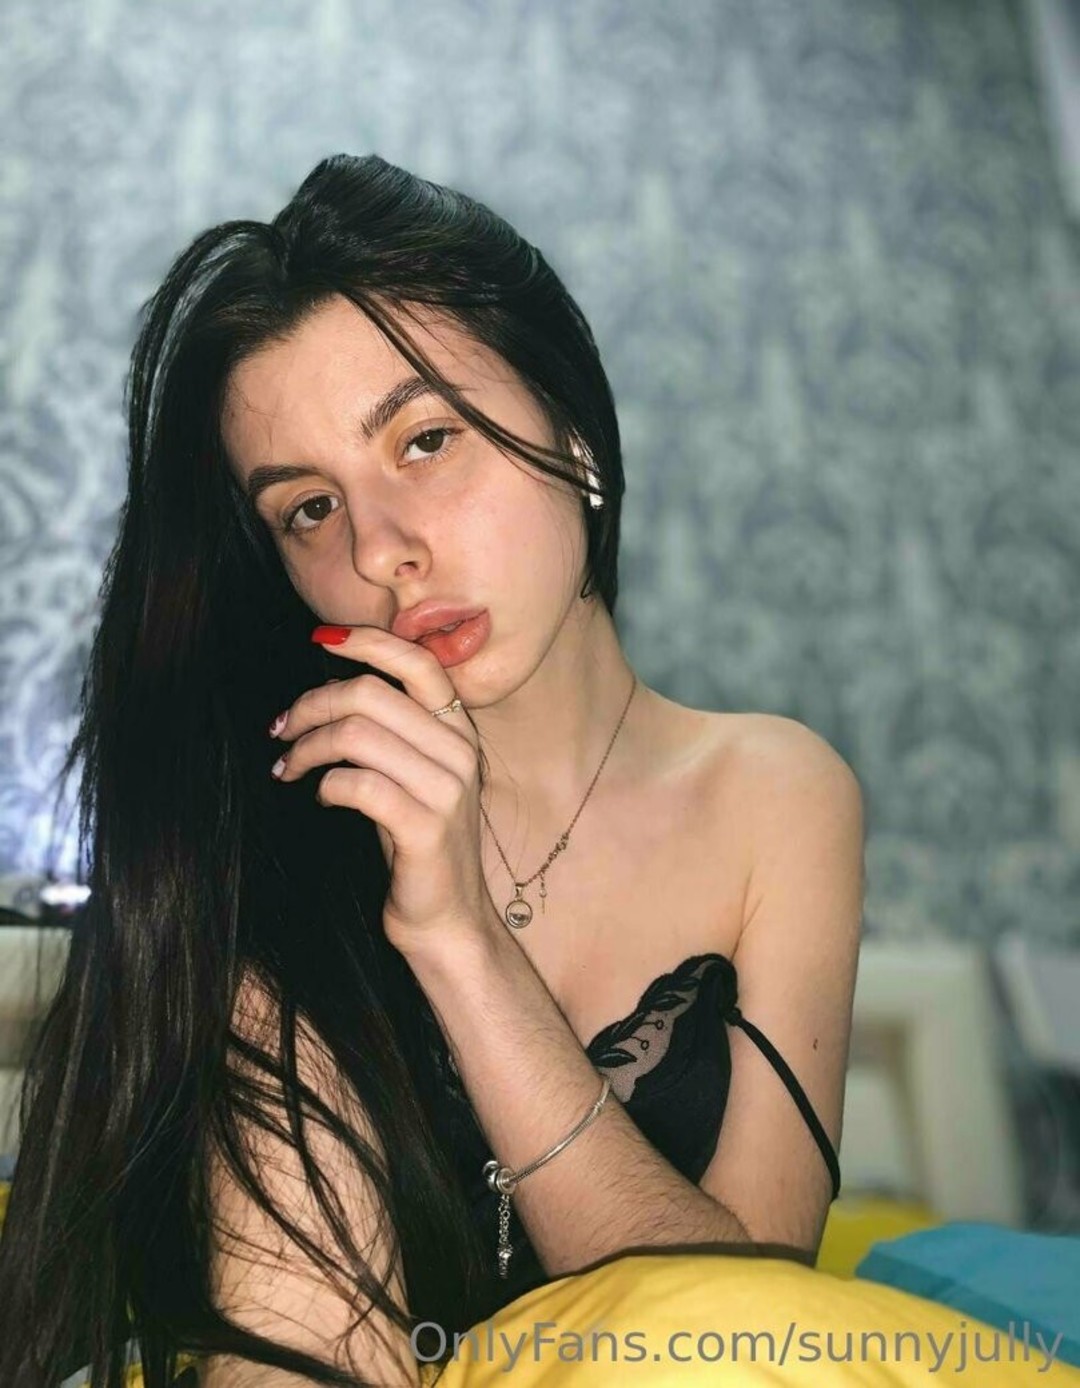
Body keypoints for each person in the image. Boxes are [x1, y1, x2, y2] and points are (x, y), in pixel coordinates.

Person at [0, 153, 865, 1387]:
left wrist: (464, 940)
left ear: (572, 428)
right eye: (309, 508)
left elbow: (754, 1333)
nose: (380, 551)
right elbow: (304, 1351)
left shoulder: (778, 793)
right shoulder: (281, 845)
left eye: (424, 439)